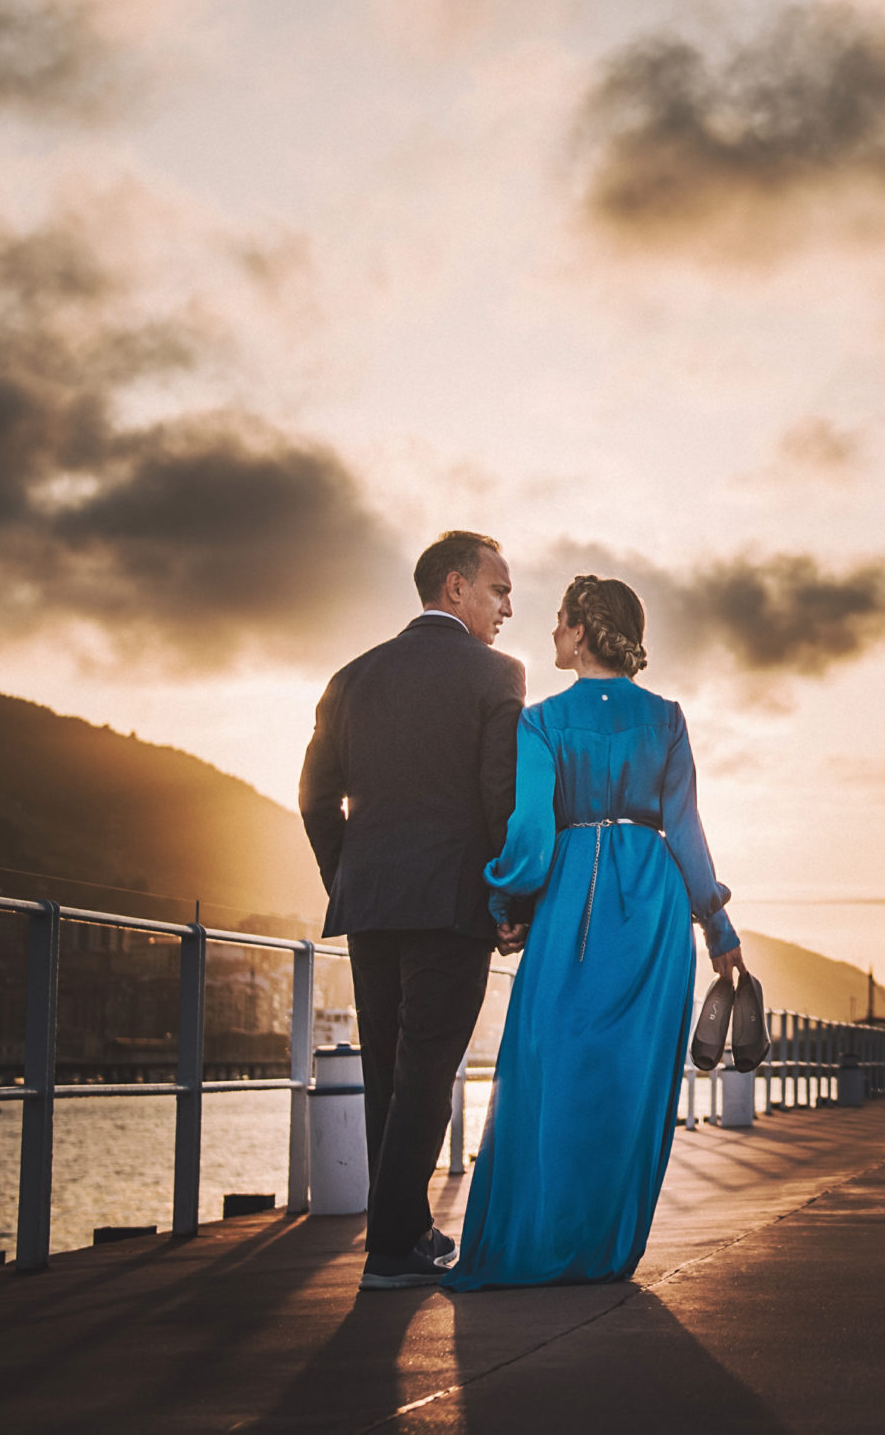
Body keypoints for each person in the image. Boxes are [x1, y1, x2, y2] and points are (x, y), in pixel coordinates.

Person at [446, 574, 741, 1289]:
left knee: (547, 1066)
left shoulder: (541, 720)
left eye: (557, 620)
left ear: (582, 631)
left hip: (574, 898)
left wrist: (504, 903)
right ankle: (604, 1249)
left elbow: (530, 834)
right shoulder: (667, 717)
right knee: (629, 1082)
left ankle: (544, 1239)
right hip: (655, 904)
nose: (548, 632)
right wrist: (719, 927)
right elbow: (687, 828)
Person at [300, 530, 525, 1291]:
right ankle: (392, 1249)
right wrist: (508, 898)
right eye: (499, 590)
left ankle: (407, 1228)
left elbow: (313, 797)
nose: (508, 607)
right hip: (451, 899)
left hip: (369, 903)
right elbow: (500, 797)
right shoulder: (498, 674)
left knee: (388, 1072)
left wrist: (350, 875)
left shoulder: (352, 676)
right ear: (456, 587)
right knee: (428, 1069)